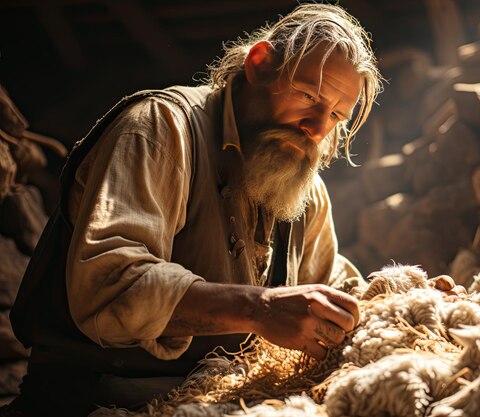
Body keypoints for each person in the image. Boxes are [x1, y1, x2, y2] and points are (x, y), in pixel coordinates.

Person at [4, 3, 383, 416]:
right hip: (94, 402)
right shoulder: (160, 129)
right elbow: (109, 282)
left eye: (336, 116)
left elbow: (330, 289)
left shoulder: (304, 188)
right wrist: (260, 308)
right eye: (309, 95)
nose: (317, 127)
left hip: (221, 402)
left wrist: (401, 301)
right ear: (259, 63)